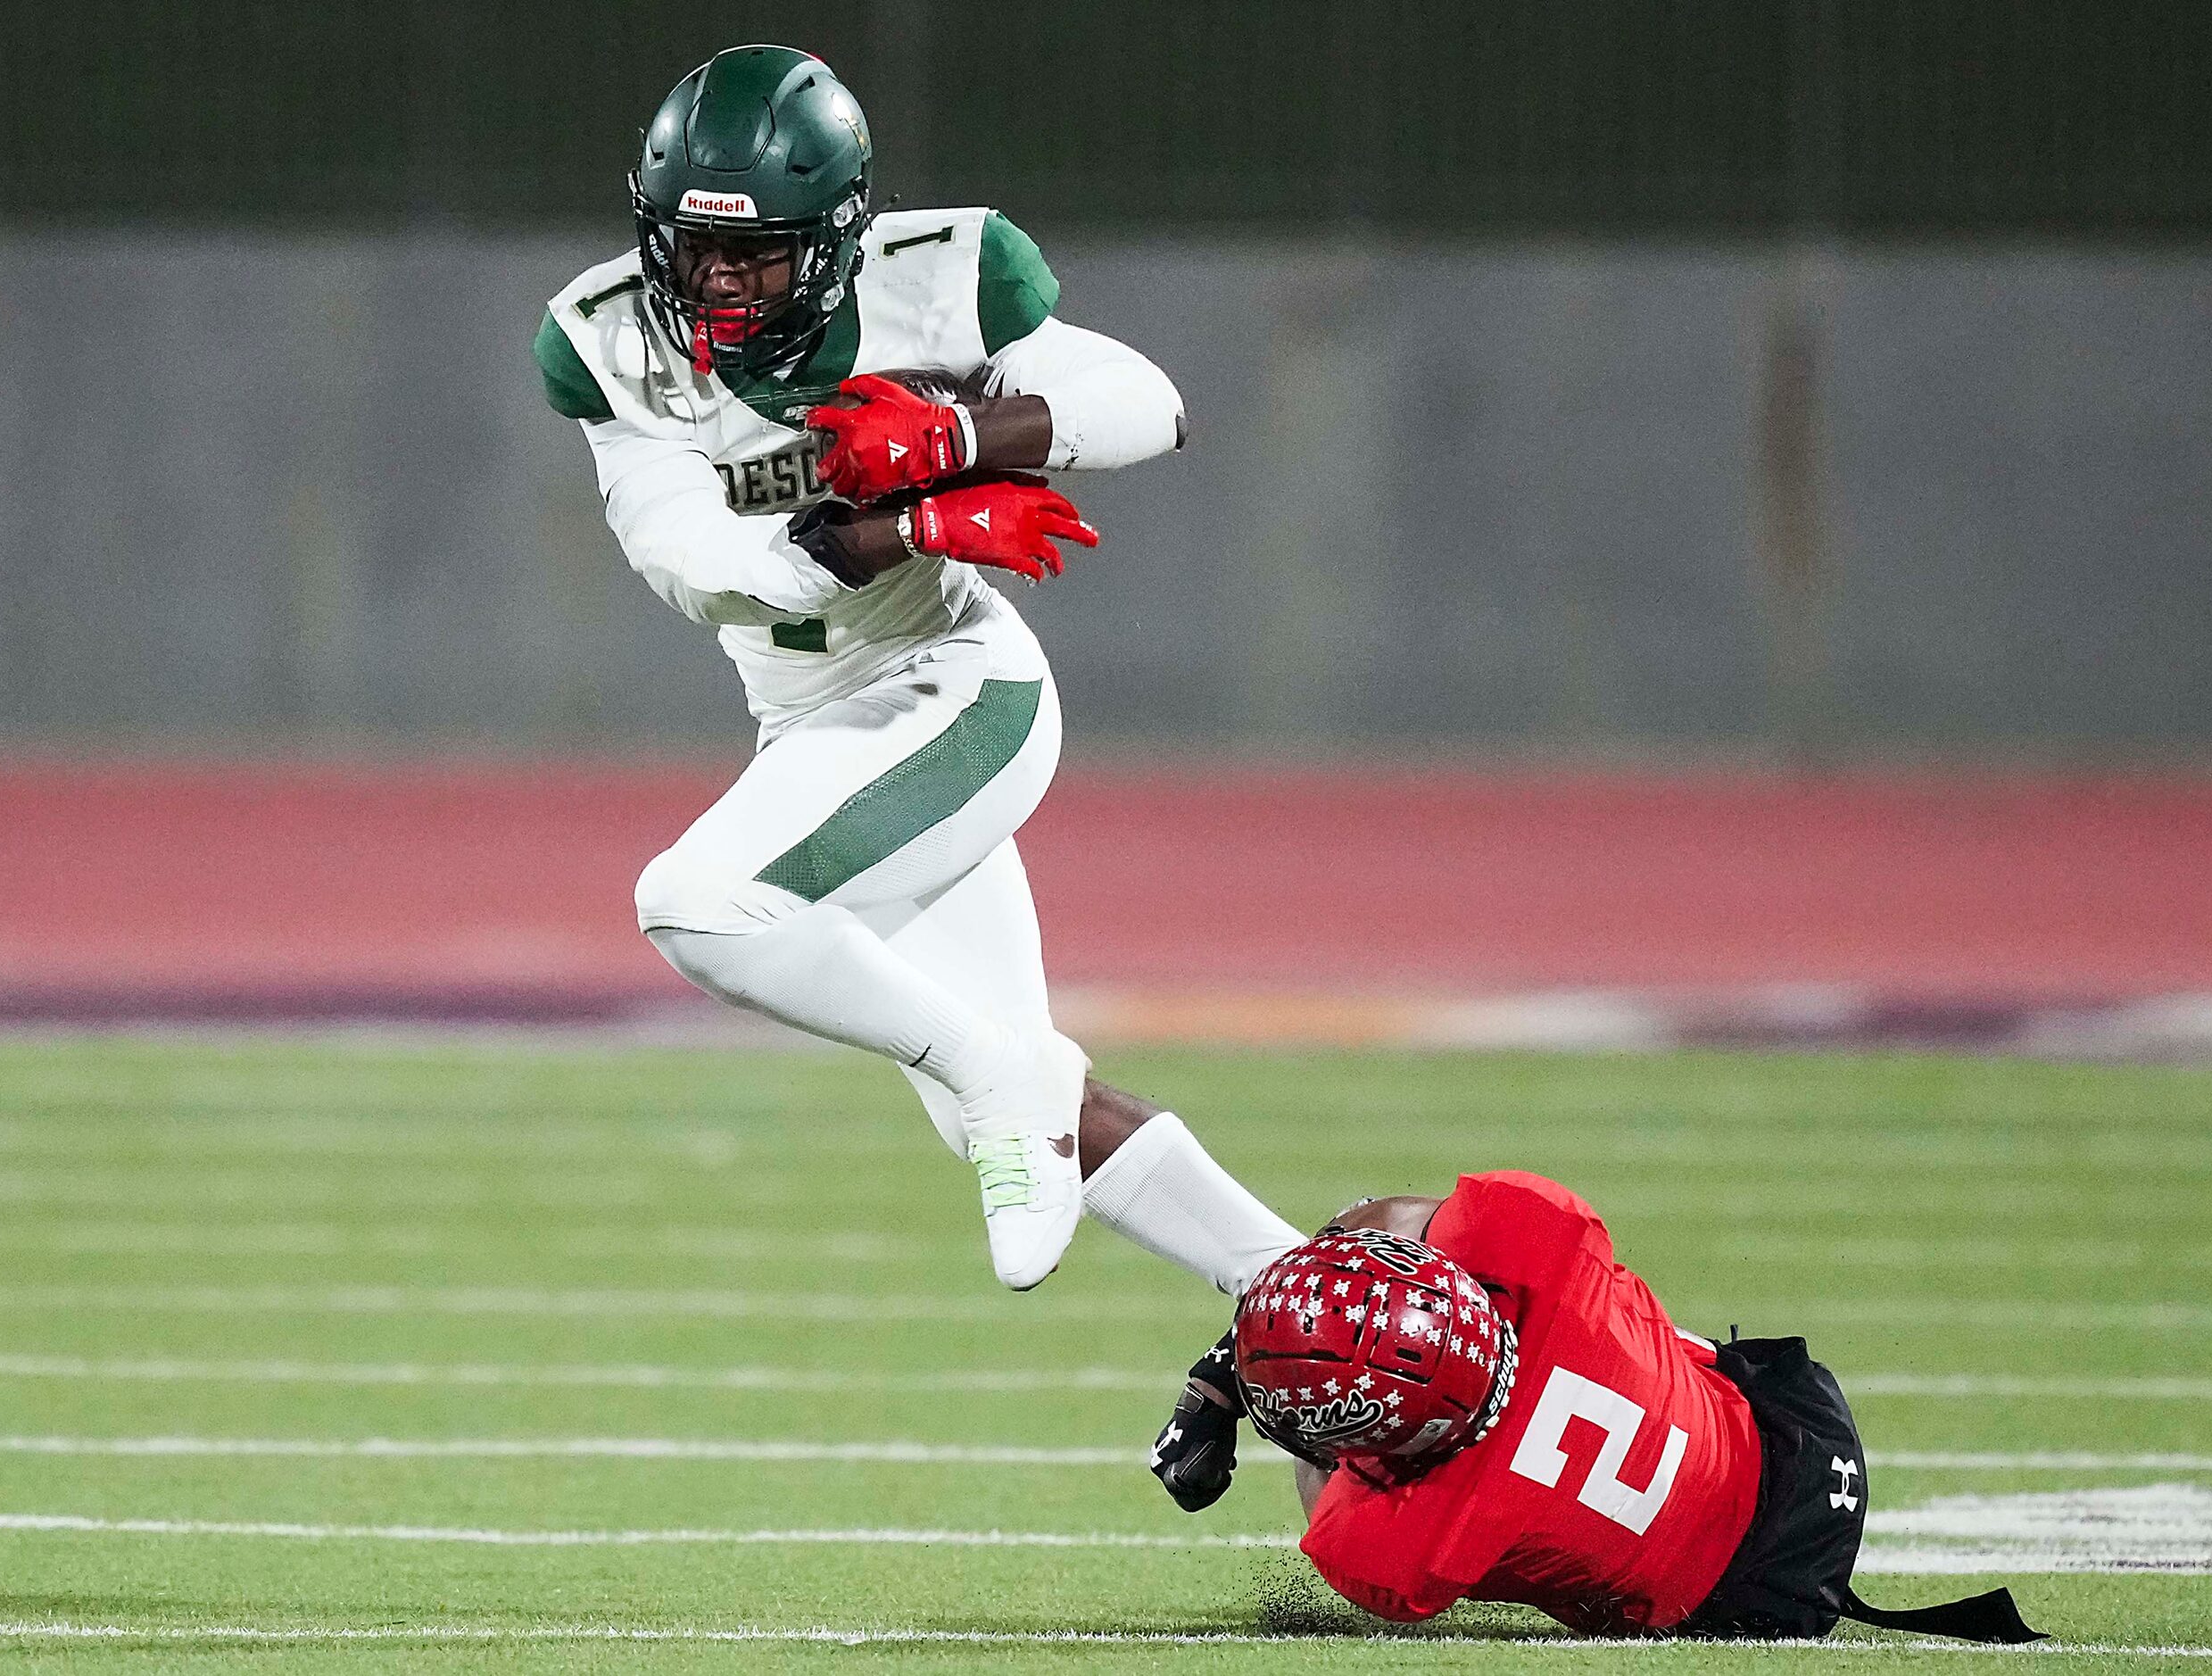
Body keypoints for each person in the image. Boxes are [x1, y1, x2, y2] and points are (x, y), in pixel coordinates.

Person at [531, 44, 1298, 1296]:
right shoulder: (607, 341)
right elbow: (699, 563)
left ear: (834, 235)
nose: (716, 282)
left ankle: (1012, 1077)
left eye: (755, 251)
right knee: (992, 1106)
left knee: (700, 902)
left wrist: (959, 432)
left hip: (951, 684)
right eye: (694, 248)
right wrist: (907, 520)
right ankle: (1293, 1287)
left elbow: (1147, 402)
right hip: (810, 719)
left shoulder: (940, 278)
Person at [1148, 1171, 2043, 1644]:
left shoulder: (1396, 1551)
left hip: (1754, 1600)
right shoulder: (1538, 1242)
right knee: (1626, 1323)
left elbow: (1334, 1446)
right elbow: (1380, 1224)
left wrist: (1239, 1372)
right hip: (1800, 1431)